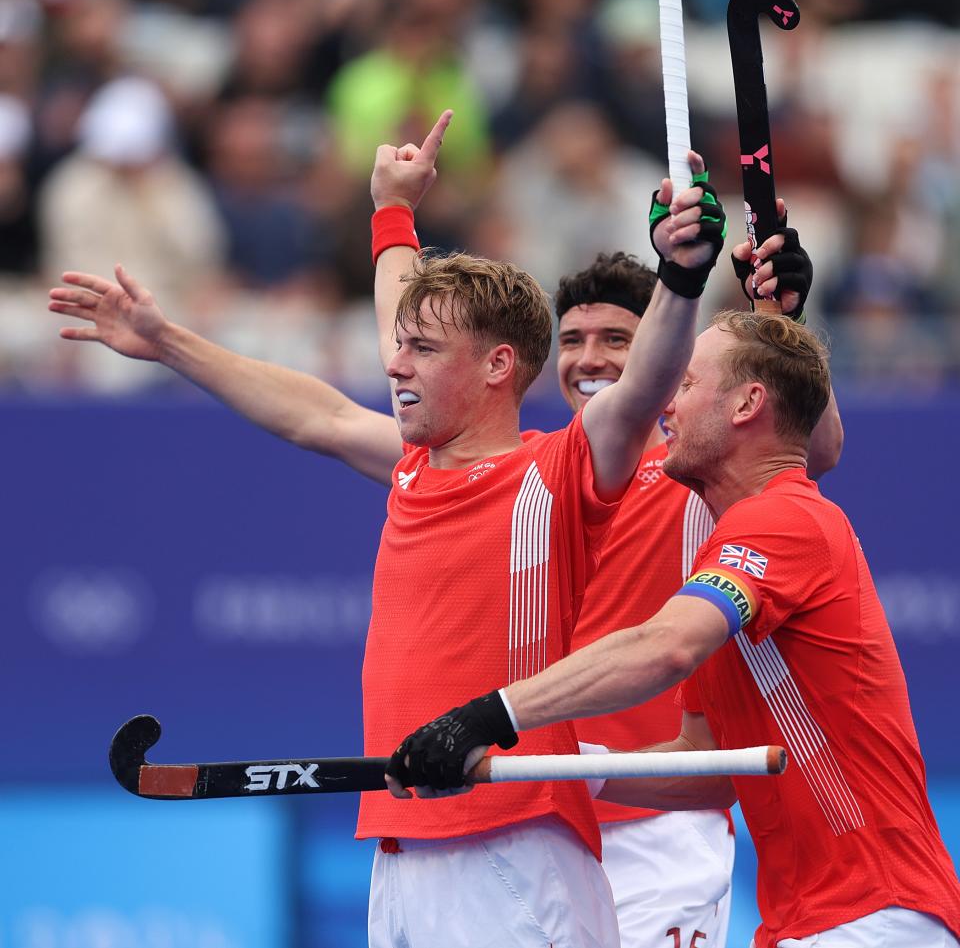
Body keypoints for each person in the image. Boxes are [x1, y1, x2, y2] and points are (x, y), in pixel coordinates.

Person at [49, 110, 729, 948]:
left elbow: (647, 379)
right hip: (403, 842)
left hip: (511, 842)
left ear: (496, 366)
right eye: (398, 347)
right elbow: (317, 412)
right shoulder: (411, 466)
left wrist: (683, 272)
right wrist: (169, 338)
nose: (393, 363)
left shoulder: (553, 475)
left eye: (421, 351)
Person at [386, 311, 960, 948]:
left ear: (747, 404)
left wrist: (488, 717)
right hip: (811, 922)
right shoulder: (727, 557)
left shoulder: (782, 519)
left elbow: (664, 646)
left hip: (876, 916)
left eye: (684, 385)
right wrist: (573, 766)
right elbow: (707, 767)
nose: (665, 405)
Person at [548, 246, 841, 948]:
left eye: (617, 338)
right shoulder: (538, 477)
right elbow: (351, 425)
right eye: (571, 341)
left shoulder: (700, 468)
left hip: (663, 825)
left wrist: (784, 327)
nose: (589, 359)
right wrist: (392, 216)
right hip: (549, 823)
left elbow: (814, 449)